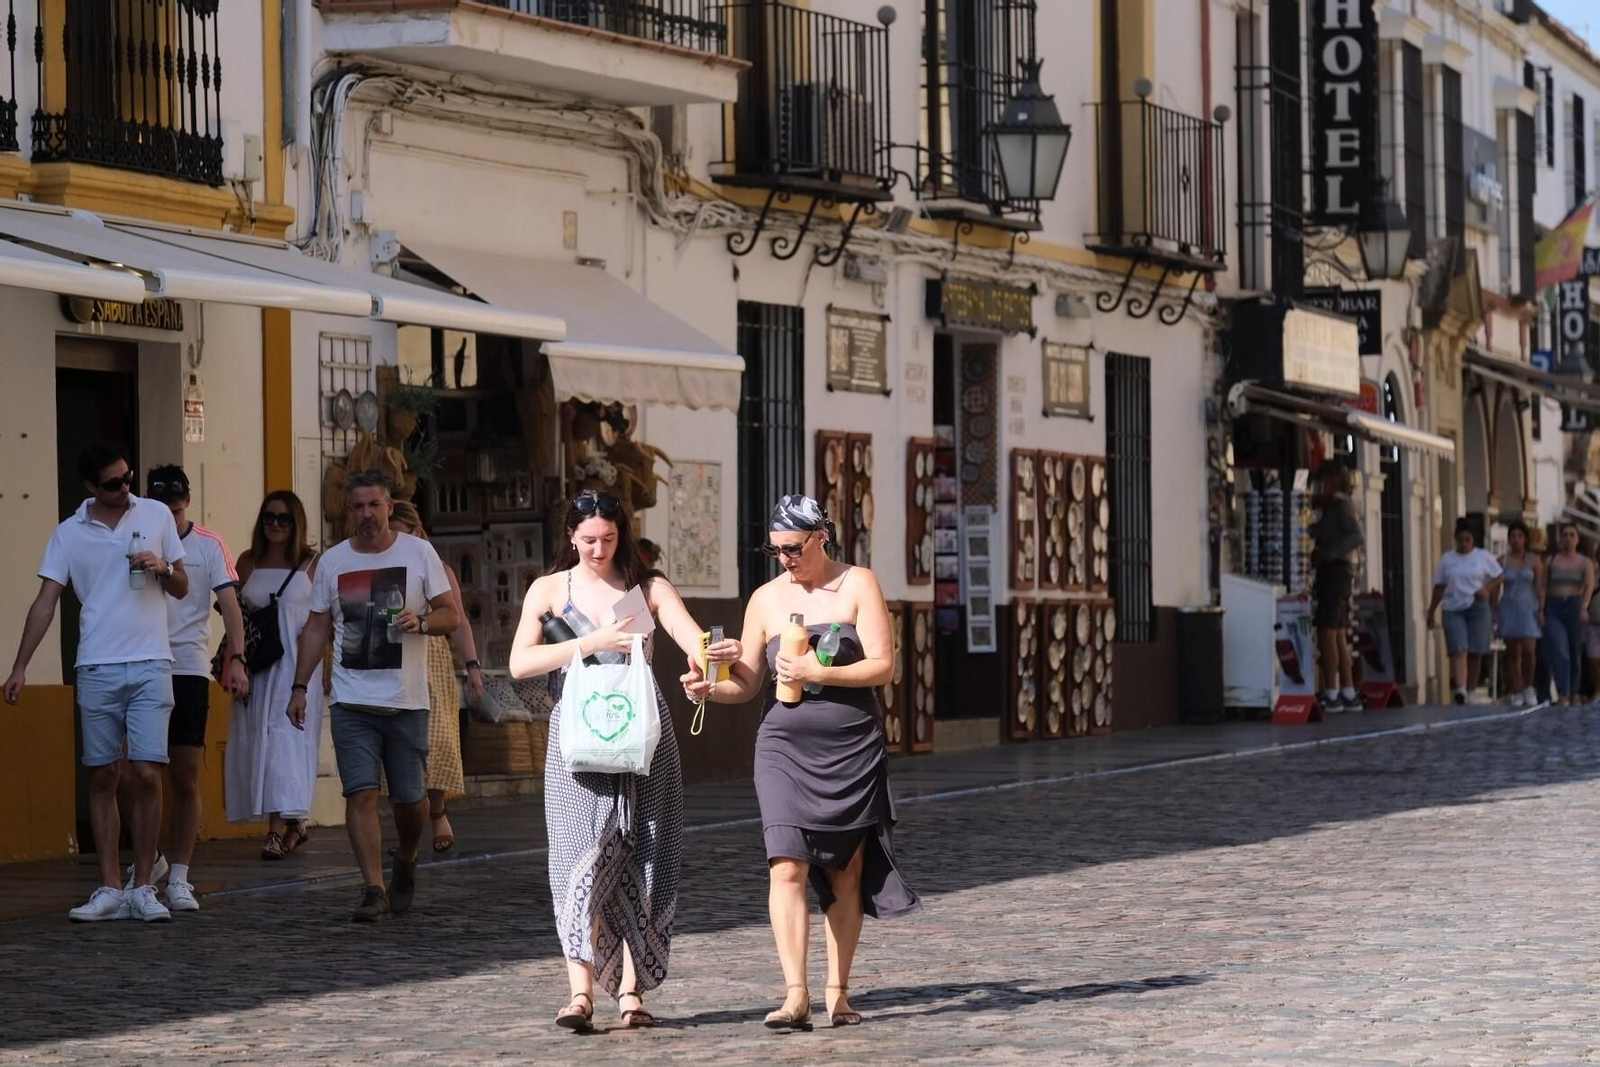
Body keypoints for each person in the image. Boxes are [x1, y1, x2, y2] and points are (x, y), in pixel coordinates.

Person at [685, 494, 921, 1031]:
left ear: (821, 537)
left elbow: (883, 666)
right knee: (786, 863)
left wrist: (820, 672)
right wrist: (709, 687)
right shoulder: (765, 599)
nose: (785, 559)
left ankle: (838, 993)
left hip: (850, 745)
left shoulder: (858, 584)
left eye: (793, 547)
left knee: (844, 871)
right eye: (775, 551)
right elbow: (747, 683)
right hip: (783, 747)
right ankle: (796, 995)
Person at [508, 489, 738, 1032]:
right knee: (575, 862)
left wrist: (713, 659)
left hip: (642, 740)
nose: (598, 549)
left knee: (645, 859)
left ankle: (631, 992)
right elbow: (520, 663)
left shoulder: (647, 587)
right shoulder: (549, 590)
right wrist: (590, 643)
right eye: (588, 539)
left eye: (608, 539)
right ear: (571, 536)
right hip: (577, 743)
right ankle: (580, 994)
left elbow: (692, 638)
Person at [4, 441, 189, 922]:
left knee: (147, 772)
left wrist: (163, 567)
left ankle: (143, 886)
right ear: (90, 486)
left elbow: (183, 585)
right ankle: (109, 886)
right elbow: (46, 601)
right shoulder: (68, 533)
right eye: (112, 483)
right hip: (97, 664)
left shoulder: (155, 514)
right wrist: (20, 666)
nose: (125, 488)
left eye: (128, 477)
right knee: (104, 774)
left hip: (151, 660)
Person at [285, 471, 459, 922]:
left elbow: (452, 615)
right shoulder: (333, 562)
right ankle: (373, 888)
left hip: (407, 701)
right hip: (351, 700)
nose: (366, 514)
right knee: (360, 794)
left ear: (388, 507)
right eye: (358, 507)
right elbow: (317, 628)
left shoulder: (418, 553)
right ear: (348, 510)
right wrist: (300, 686)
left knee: (410, 800)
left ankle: (407, 856)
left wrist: (422, 622)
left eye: (374, 505)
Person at [114, 465, 249, 912]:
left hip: (187, 668)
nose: (169, 518)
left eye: (175, 509)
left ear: (187, 501)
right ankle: (151, 859)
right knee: (129, 773)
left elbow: (230, 605)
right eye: (161, 509)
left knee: (185, 777)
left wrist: (237, 658)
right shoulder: (133, 536)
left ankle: (181, 876)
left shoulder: (208, 544)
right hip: (139, 661)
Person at [227, 490, 322, 859]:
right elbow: (233, 615)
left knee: (286, 743)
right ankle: (294, 823)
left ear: (297, 523)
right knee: (260, 741)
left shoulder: (313, 565)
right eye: (269, 517)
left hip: (297, 669)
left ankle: (275, 831)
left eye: (284, 518)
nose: (276, 524)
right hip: (257, 667)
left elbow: (323, 623)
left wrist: (322, 671)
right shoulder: (247, 562)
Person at [389, 500, 483, 853]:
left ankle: (438, 811)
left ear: (417, 532)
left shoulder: (438, 568)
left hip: (431, 659)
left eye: (400, 533)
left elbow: (458, 621)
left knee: (436, 738)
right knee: (398, 743)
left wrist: (473, 668)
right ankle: (407, 829)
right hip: (391, 660)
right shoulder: (379, 566)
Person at [1426, 520, 1504, 705]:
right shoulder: (1448, 559)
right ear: (1456, 540)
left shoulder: (1482, 556)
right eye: (1460, 540)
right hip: (1453, 607)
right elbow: (1439, 586)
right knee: (1459, 648)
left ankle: (1471, 690)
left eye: (1467, 539)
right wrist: (1431, 611)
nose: (1464, 543)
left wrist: (1487, 589)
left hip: (1477, 606)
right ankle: (1460, 688)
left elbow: (1499, 575)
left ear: (1473, 540)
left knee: (1476, 651)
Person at [1310, 462, 1364, 712]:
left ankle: (1331, 691)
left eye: (1322, 483)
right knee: (1339, 633)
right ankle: (1348, 690)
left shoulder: (1340, 505)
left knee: (1327, 632)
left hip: (1335, 572)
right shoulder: (1336, 505)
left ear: (1333, 481)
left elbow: (1356, 536)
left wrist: (1329, 554)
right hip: (1340, 573)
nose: (1319, 488)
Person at [1541, 522, 1592, 706]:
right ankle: (1563, 692)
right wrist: (1541, 610)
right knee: (1560, 650)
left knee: (1575, 651)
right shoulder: (1552, 561)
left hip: (1574, 605)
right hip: (1554, 607)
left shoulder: (1584, 562)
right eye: (1565, 535)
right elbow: (1543, 586)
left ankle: (1575, 691)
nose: (1568, 538)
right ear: (1560, 538)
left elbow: (1589, 585)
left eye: (1572, 535)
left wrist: (1584, 607)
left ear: (1577, 539)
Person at [1497, 521, 1544, 708]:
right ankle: (1516, 690)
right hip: (1509, 605)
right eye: (1513, 536)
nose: (1516, 539)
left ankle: (1529, 687)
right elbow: (1496, 586)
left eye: (1519, 536)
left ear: (1525, 539)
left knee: (1529, 650)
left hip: (1528, 605)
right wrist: (1493, 610)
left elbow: (1539, 587)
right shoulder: (1502, 560)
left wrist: (1541, 609)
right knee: (1512, 652)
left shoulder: (1534, 560)